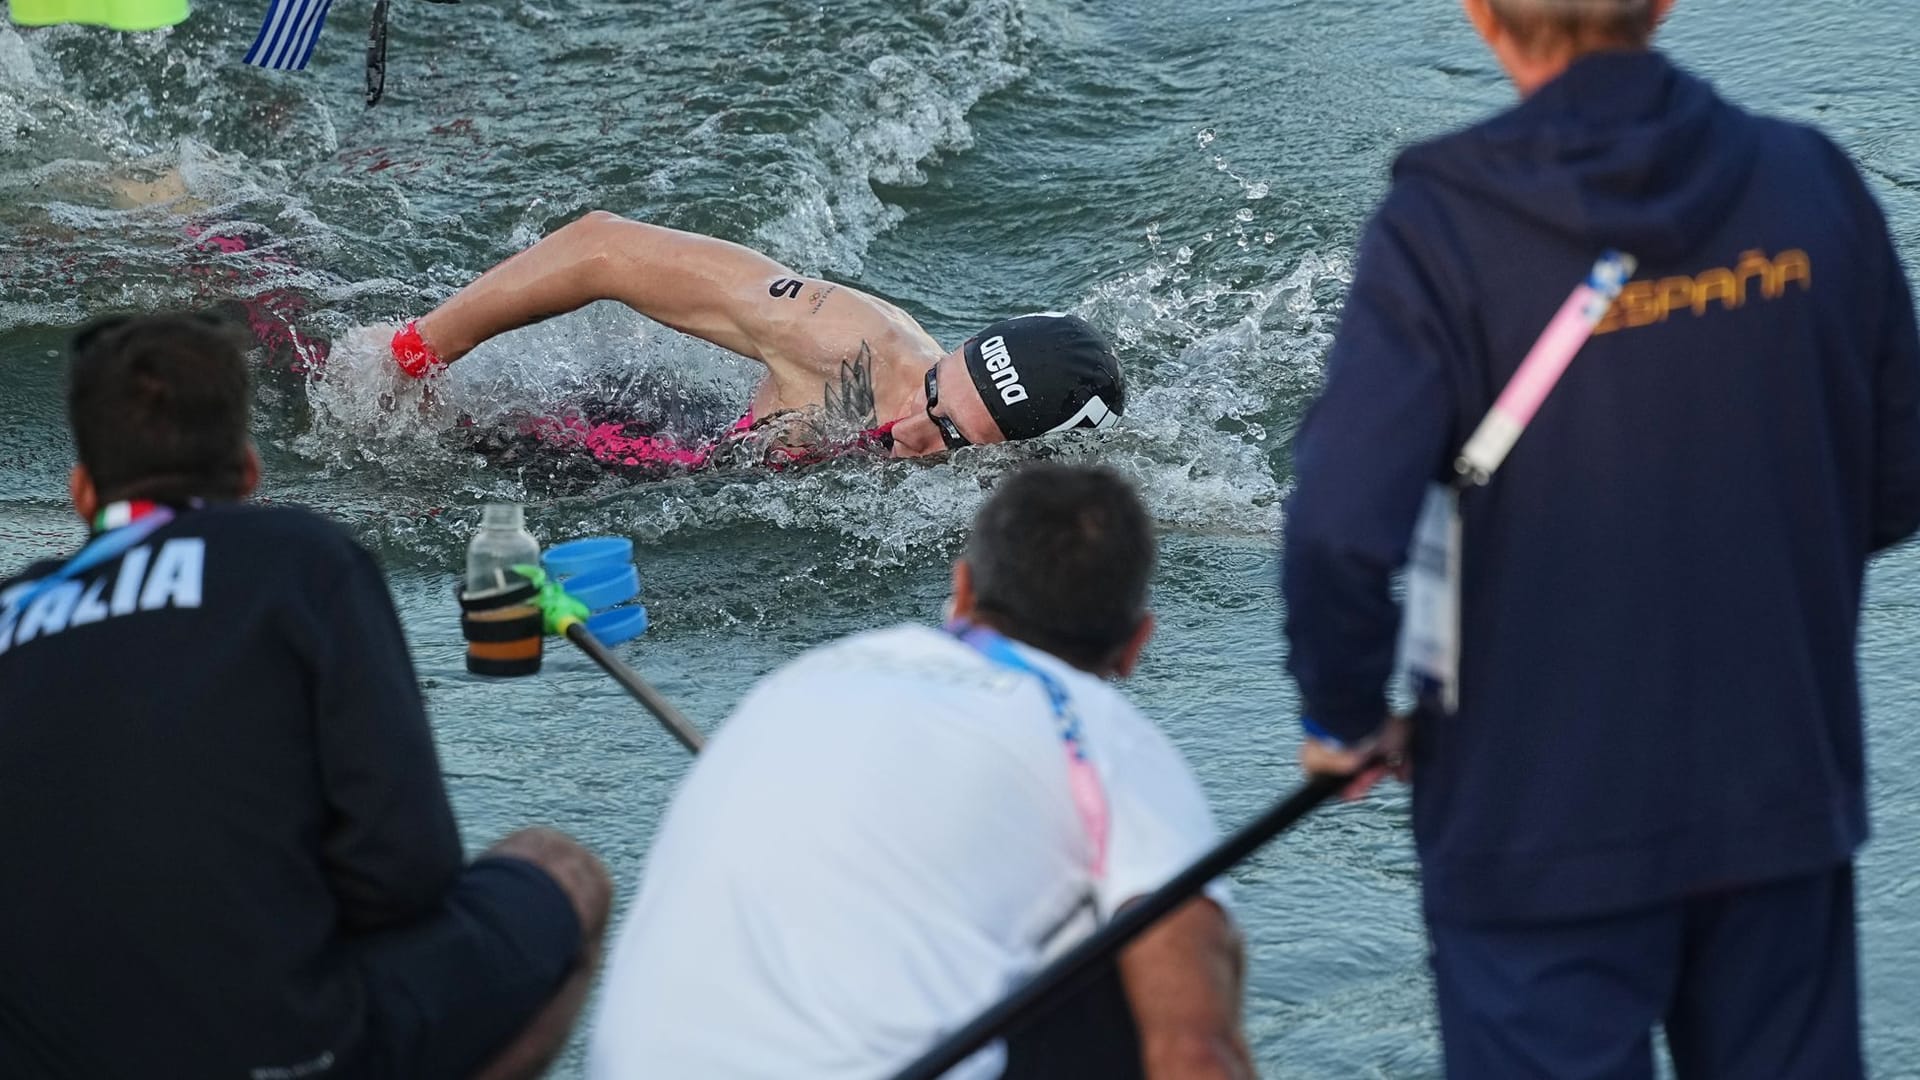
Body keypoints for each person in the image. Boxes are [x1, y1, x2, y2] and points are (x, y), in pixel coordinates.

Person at [1281, 0, 1920, 1077]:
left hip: (1532, 827)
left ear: (1480, 13)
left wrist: (1345, 717)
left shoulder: (1442, 225)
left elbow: (1341, 533)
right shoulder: (1811, 182)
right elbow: (1895, 481)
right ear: (1663, 3)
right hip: (1776, 798)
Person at [0, 312, 614, 1078]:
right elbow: (406, 870)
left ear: (82, 490)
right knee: (563, 871)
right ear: (249, 470)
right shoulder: (302, 562)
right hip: (283, 1047)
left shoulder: (10, 611)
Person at [587, 463, 1254, 1079]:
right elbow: (1194, 1052)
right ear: (1136, 644)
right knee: (1157, 948)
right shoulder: (1106, 739)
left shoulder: (812, 676)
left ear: (961, 588)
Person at [382, 211, 1127, 465]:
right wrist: (414, 356)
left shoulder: (1012, 491)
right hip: (607, 439)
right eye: (933, 391)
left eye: (953, 437)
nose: (904, 425)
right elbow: (599, 247)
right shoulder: (840, 338)